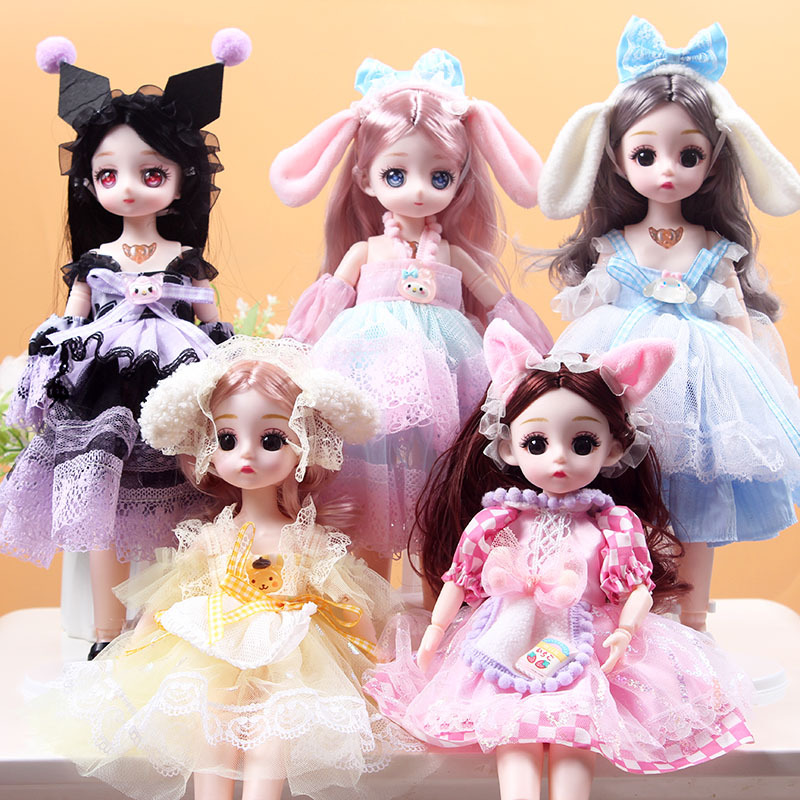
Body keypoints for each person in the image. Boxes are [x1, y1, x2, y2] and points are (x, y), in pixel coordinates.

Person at [365, 319, 752, 800]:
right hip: (504, 636)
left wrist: (626, 630)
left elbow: (637, 591)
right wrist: (437, 632)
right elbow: (459, 579)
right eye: (536, 443)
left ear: (614, 448)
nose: (559, 459)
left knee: (575, 735)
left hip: (587, 640)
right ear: (508, 446)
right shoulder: (499, 518)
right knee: (514, 736)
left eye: (583, 443)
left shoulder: (613, 524)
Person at [32, 336, 428, 800]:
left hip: (295, 653)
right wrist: (134, 649)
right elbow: (174, 591)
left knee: (274, 733)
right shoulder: (212, 537)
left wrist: (377, 664)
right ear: (208, 447)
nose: (246, 455)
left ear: (304, 446)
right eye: (227, 439)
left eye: (271, 440)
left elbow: (345, 600)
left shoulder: (307, 540)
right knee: (210, 724)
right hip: (214, 647)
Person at [537, 17, 800, 631]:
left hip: (705, 388)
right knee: (630, 500)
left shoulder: (713, 245)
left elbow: (738, 324)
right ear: (616, 157)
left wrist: (755, 386)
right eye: (645, 154)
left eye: (689, 155)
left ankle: (694, 621)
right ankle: (636, 615)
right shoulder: (613, 245)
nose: (666, 170)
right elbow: (589, 319)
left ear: (713, 161)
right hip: (629, 378)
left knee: (697, 506)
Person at [0, 31, 249, 656]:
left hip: (176, 379)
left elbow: (213, 324)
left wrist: (230, 372)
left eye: (151, 173)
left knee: (179, 508)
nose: (129, 188)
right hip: (105, 387)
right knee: (102, 509)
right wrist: (52, 366)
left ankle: (164, 626)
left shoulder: (184, 258)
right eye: (108, 174)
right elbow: (69, 324)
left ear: (181, 182)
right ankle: (106, 632)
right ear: (90, 182)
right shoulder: (95, 260)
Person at [271, 49, 551, 576]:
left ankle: (438, 589)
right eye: (396, 174)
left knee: (442, 475)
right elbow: (327, 305)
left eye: (439, 176)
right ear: (365, 178)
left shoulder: (452, 254)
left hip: (450, 366)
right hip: (368, 368)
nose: (419, 189)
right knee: (364, 467)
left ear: (460, 178)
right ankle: (371, 592)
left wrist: (531, 357)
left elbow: (495, 302)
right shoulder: (366, 252)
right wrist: (292, 359)